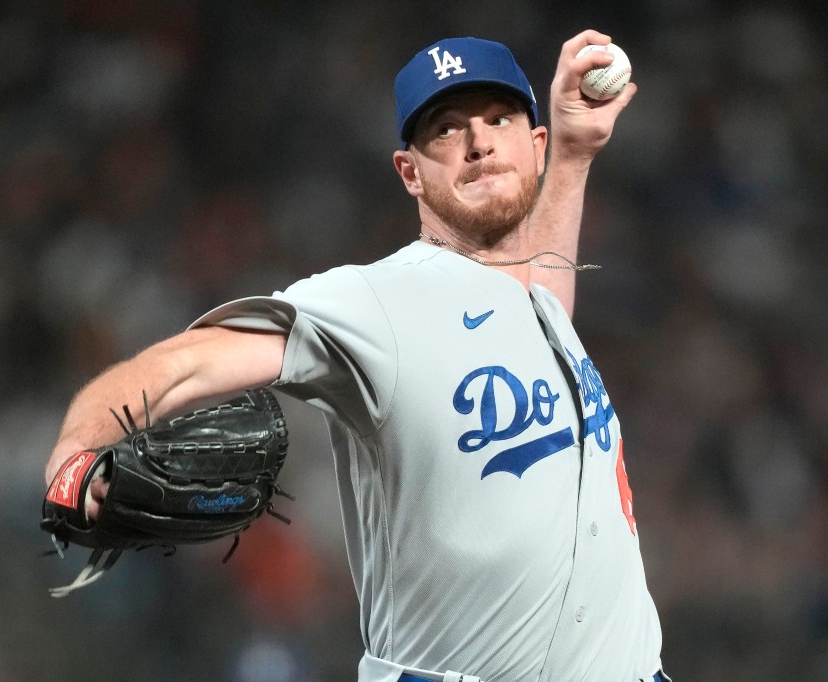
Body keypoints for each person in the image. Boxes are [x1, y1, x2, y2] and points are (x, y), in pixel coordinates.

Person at [46, 29, 669, 682]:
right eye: (448, 130)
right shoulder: (374, 302)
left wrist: (573, 155)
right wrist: (75, 450)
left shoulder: (534, 299)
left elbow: (538, 295)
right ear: (410, 173)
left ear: (533, 145)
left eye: (499, 118)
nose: (479, 142)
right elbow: (191, 361)